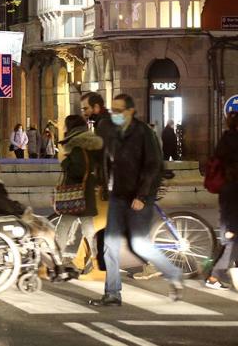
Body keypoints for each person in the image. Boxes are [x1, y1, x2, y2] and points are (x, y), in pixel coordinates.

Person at [89, 94, 183, 307]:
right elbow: (104, 158)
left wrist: (141, 196)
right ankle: (112, 293)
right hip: (118, 195)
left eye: (119, 110)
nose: (115, 114)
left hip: (139, 196)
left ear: (131, 111)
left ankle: (173, 273)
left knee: (138, 244)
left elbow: (152, 165)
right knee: (110, 245)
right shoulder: (112, 131)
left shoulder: (143, 132)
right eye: (113, 110)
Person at [54, 115, 104, 273]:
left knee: (63, 226)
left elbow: (78, 170)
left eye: (65, 126)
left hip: (75, 194)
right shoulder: (90, 146)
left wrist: (65, 162)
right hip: (86, 192)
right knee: (88, 227)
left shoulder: (77, 148)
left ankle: (56, 258)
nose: (63, 129)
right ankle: (93, 257)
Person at [206, 112, 238, 289]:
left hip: (227, 191)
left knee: (232, 234)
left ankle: (216, 274)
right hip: (234, 191)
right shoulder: (234, 142)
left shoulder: (226, 139)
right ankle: (214, 275)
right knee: (233, 236)